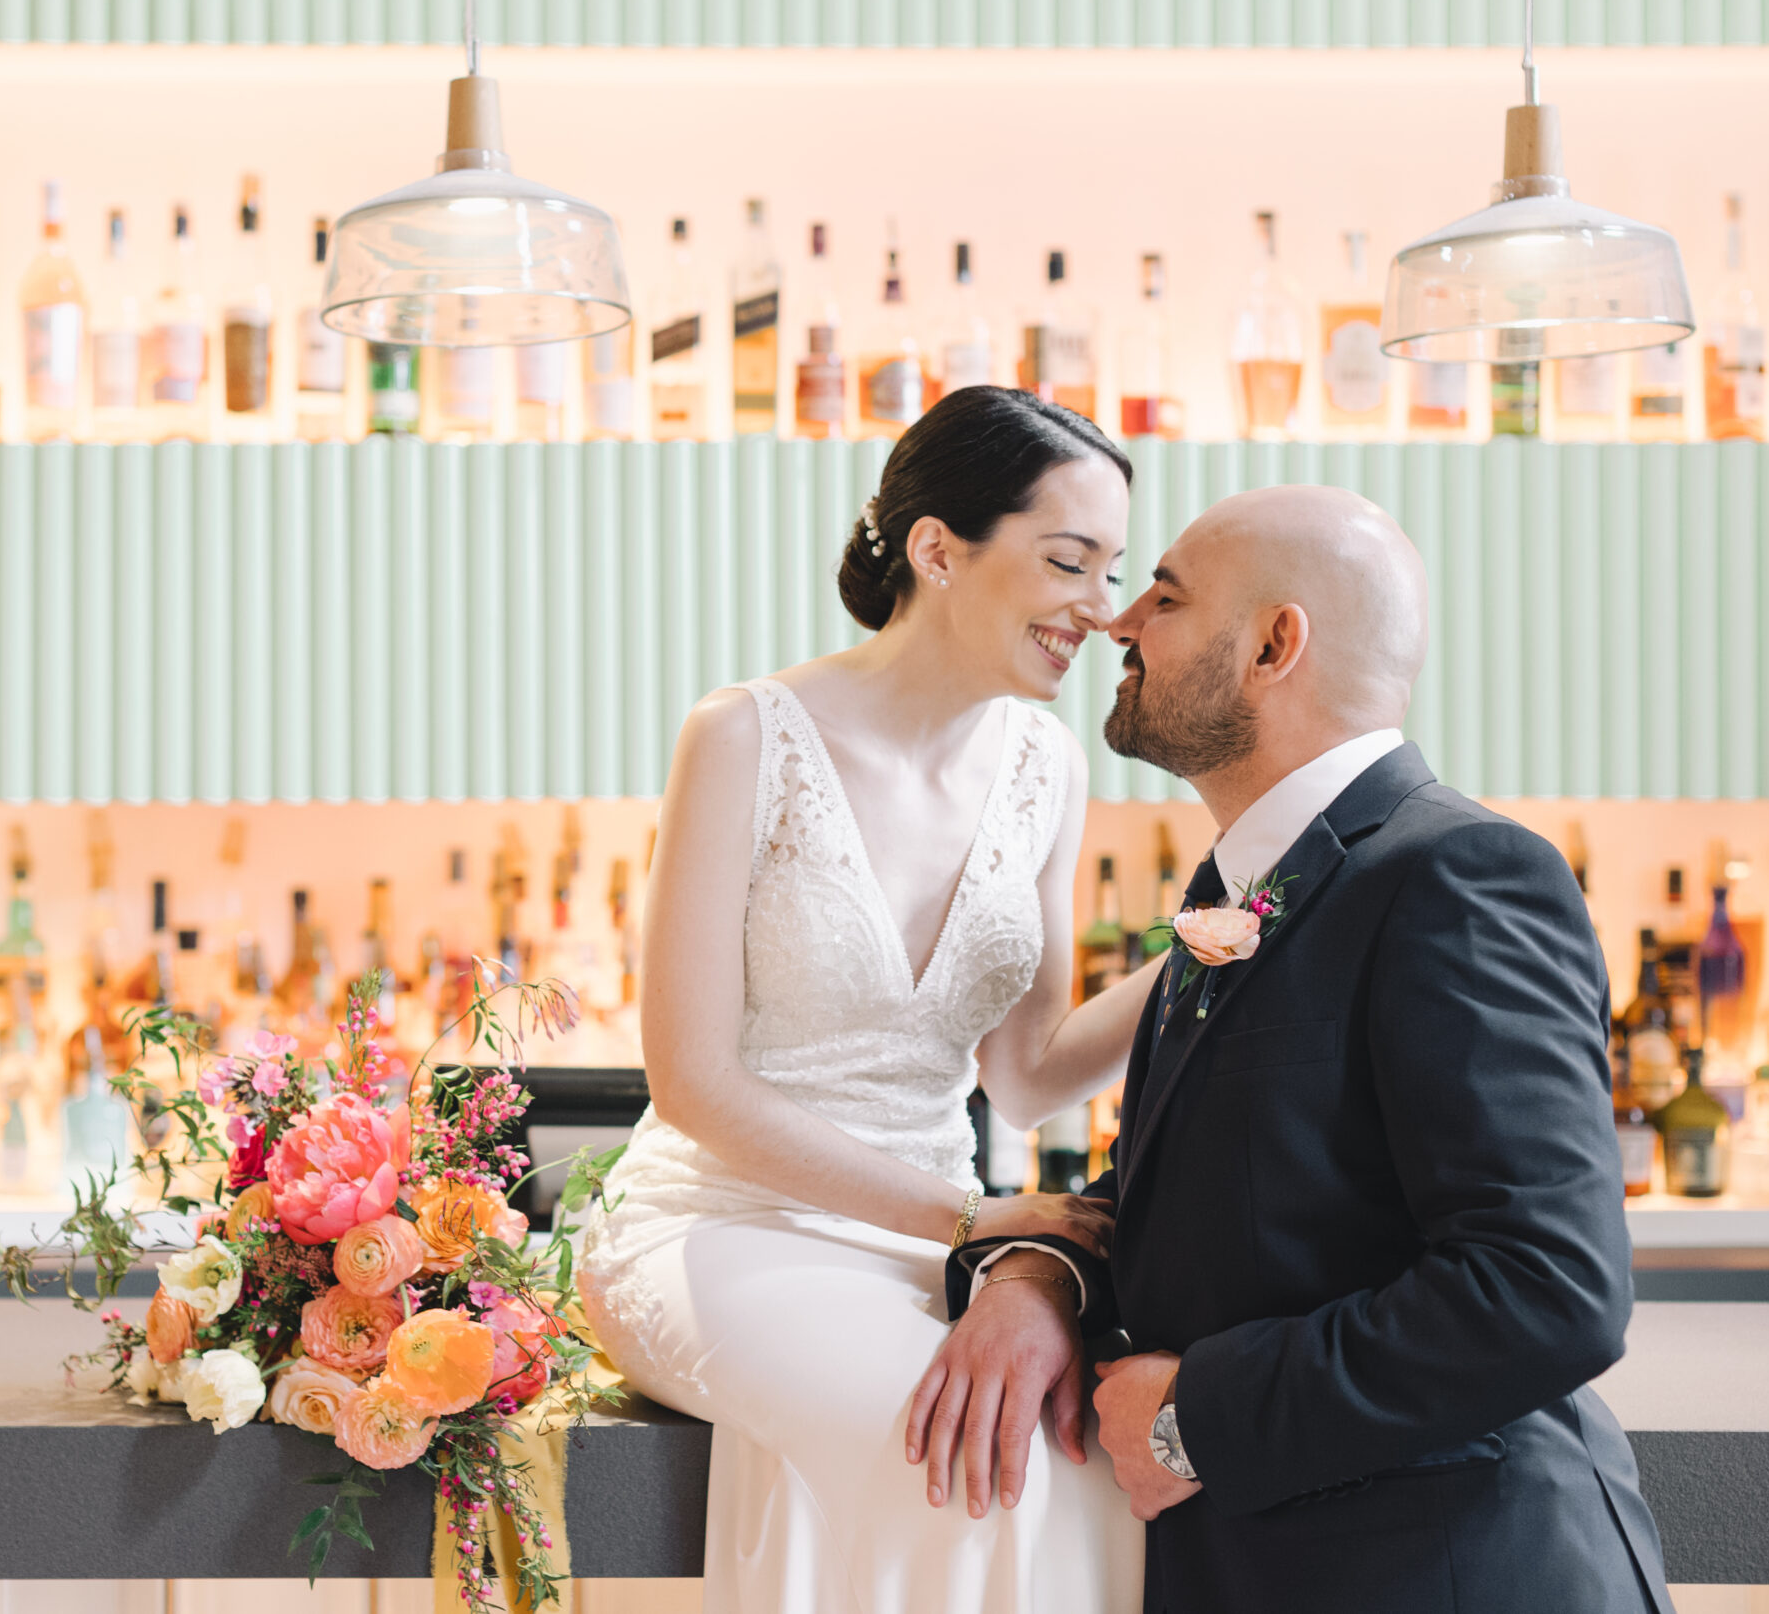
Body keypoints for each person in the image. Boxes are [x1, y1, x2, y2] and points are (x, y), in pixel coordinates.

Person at [912, 484, 1676, 1614]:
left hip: (1449, 1572)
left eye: (1161, 597)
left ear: (1274, 645)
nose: (1116, 623)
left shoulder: (1457, 874)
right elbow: (1198, 1197)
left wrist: (1194, 1417)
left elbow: (1544, 1286)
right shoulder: (1246, 889)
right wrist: (1040, 1275)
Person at [577, 386, 1157, 1613]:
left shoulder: (1046, 767)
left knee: (1082, 1459)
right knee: (951, 1460)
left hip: (925, 1247)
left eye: (1113, 573)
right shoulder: (743, 735)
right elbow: (693, 1084)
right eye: (1069, 563)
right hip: (718, 1229)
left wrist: (1219, 950)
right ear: (940, 549)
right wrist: (981, 1223)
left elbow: (1029, 1069)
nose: (1100, 613)